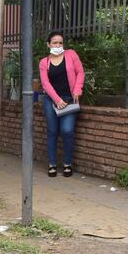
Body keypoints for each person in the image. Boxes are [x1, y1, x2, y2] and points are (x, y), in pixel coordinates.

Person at [38, 31, 84, 177]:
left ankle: (67, 163)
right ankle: (52, 164)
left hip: (70, 99)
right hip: (51, 100)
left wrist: (77, 90)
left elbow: (80, 72)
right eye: (54, 43)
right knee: (52, 132)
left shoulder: (71, 55)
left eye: (60, 43)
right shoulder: (44, 62)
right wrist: (57, 100)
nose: (58, 45)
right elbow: (45, 84)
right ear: (48, 45)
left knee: (67, 131)